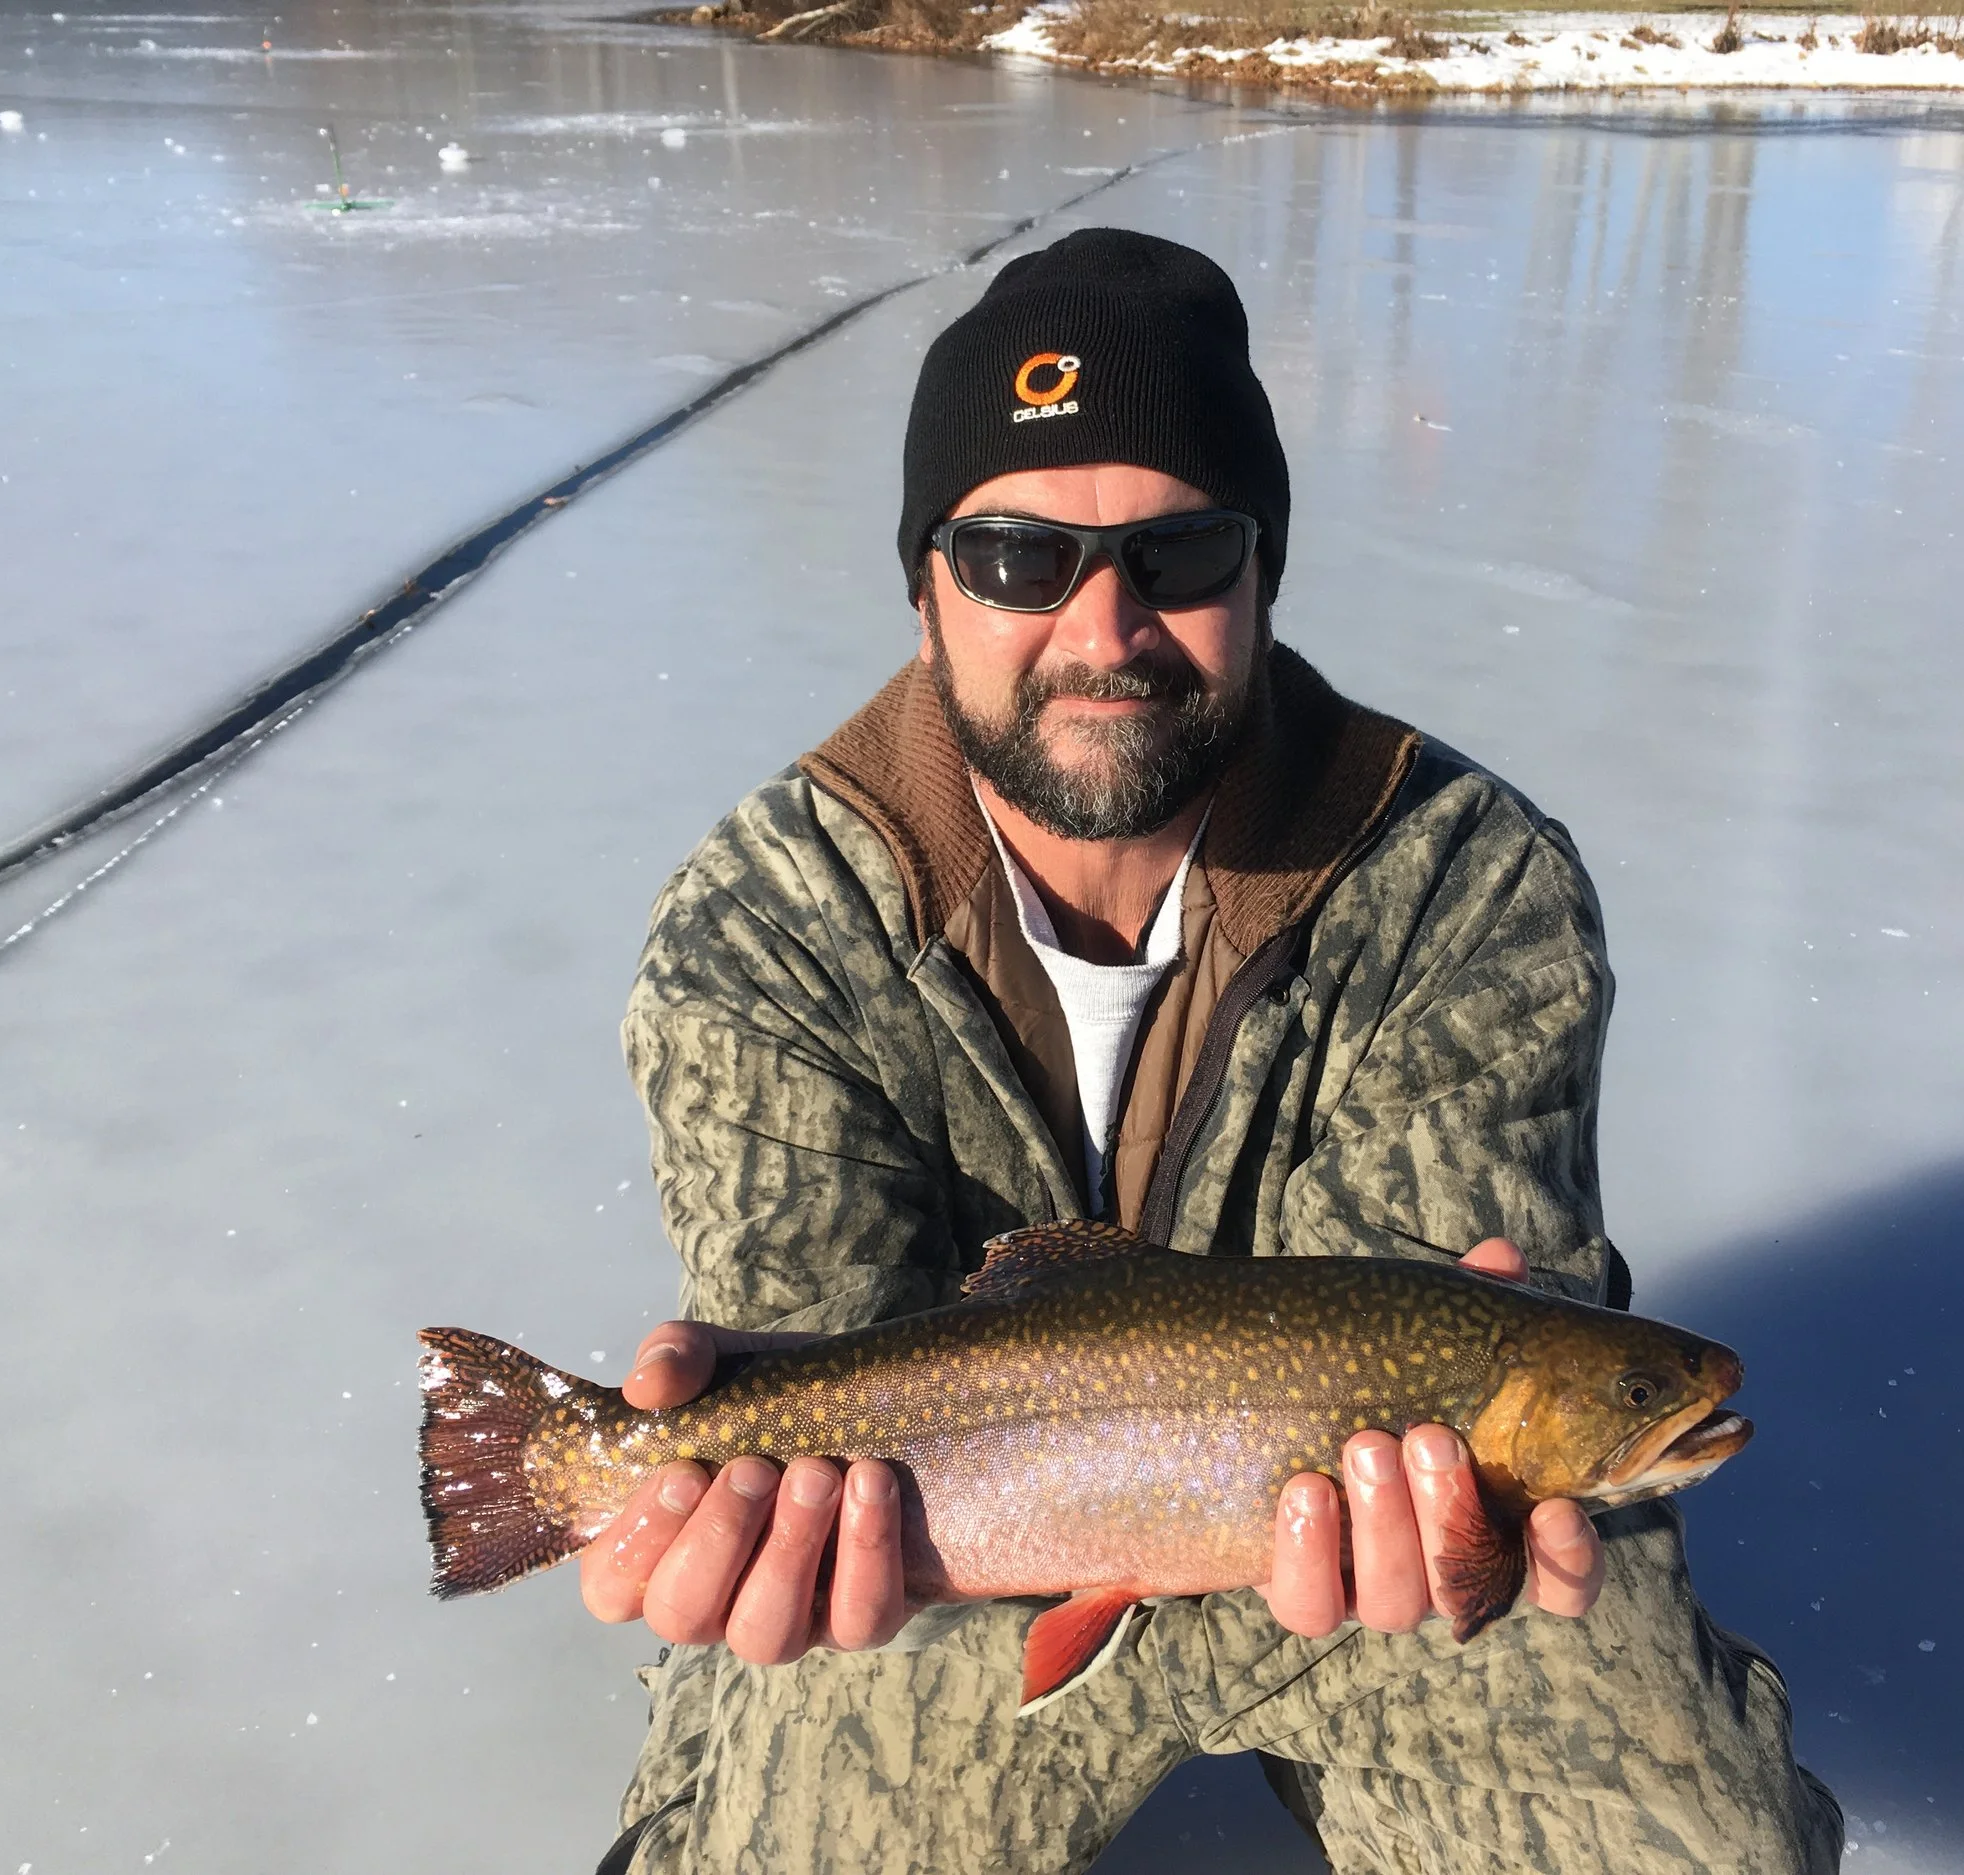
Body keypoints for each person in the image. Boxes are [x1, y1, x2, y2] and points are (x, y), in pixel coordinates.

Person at [581, 229, 1842, 1875]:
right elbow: (822, 1348)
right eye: (1020, 556)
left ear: (1263, 577)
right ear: (923, 587)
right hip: (944, 1561)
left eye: (1181, 553)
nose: (1105, 625)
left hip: (1401, 1572)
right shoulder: (764, 929)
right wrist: (725, 1504)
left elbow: (1427, 1315)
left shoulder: (1464, 878)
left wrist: (1458, 1496)